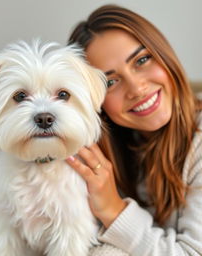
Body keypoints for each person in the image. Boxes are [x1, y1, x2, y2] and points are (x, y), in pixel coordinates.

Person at [66, 4, 202, 255]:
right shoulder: (109, 152)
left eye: (141, 60)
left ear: (164, 54)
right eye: (111, 82)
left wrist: (113, 209)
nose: (137, 88)